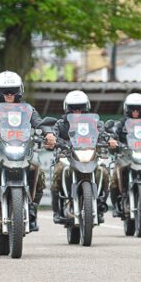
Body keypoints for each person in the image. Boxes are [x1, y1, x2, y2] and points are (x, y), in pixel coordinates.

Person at [0, 70, 56, 232]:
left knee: (39, 172)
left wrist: (48, 133)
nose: (9, 94)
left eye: (13, 90)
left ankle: (32, 210)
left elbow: (38, 121)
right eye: (5, 91)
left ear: (19, 90)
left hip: (22, 148)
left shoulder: (27, 108)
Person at [51, 90, 110, 224]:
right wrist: (53, 140)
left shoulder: (95, 123)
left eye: (80, 108)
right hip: (67, 157)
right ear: (67, 109)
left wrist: (108, 139)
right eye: (73, 108)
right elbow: (54, 135)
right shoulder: (61, 124)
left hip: (90, 155)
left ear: (86, 108)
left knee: (104, 172)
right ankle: (57, 210)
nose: (77, 112)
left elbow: (103, 134)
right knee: (58, 171)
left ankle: (100, 206)